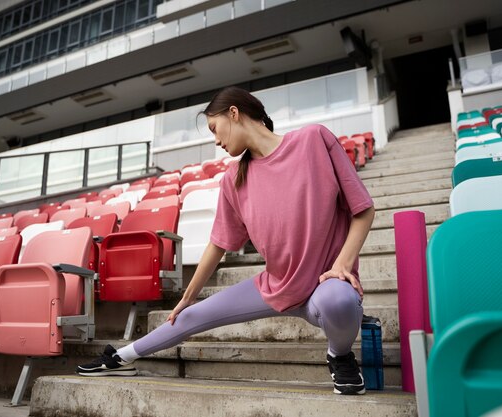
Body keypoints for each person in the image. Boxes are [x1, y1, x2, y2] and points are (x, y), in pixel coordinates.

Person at [76, 86, 375, 395]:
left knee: (338, 300)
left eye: (214, 129)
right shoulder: (233, 179)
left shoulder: (314, 139)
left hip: (325, 283)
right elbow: (218, 243)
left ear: (234, 112)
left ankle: (339, 356)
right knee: (189, 315)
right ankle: (120, 359)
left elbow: (363, 210)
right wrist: (189, 295)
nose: (216, 141)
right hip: (275, 285)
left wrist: (341, 265)